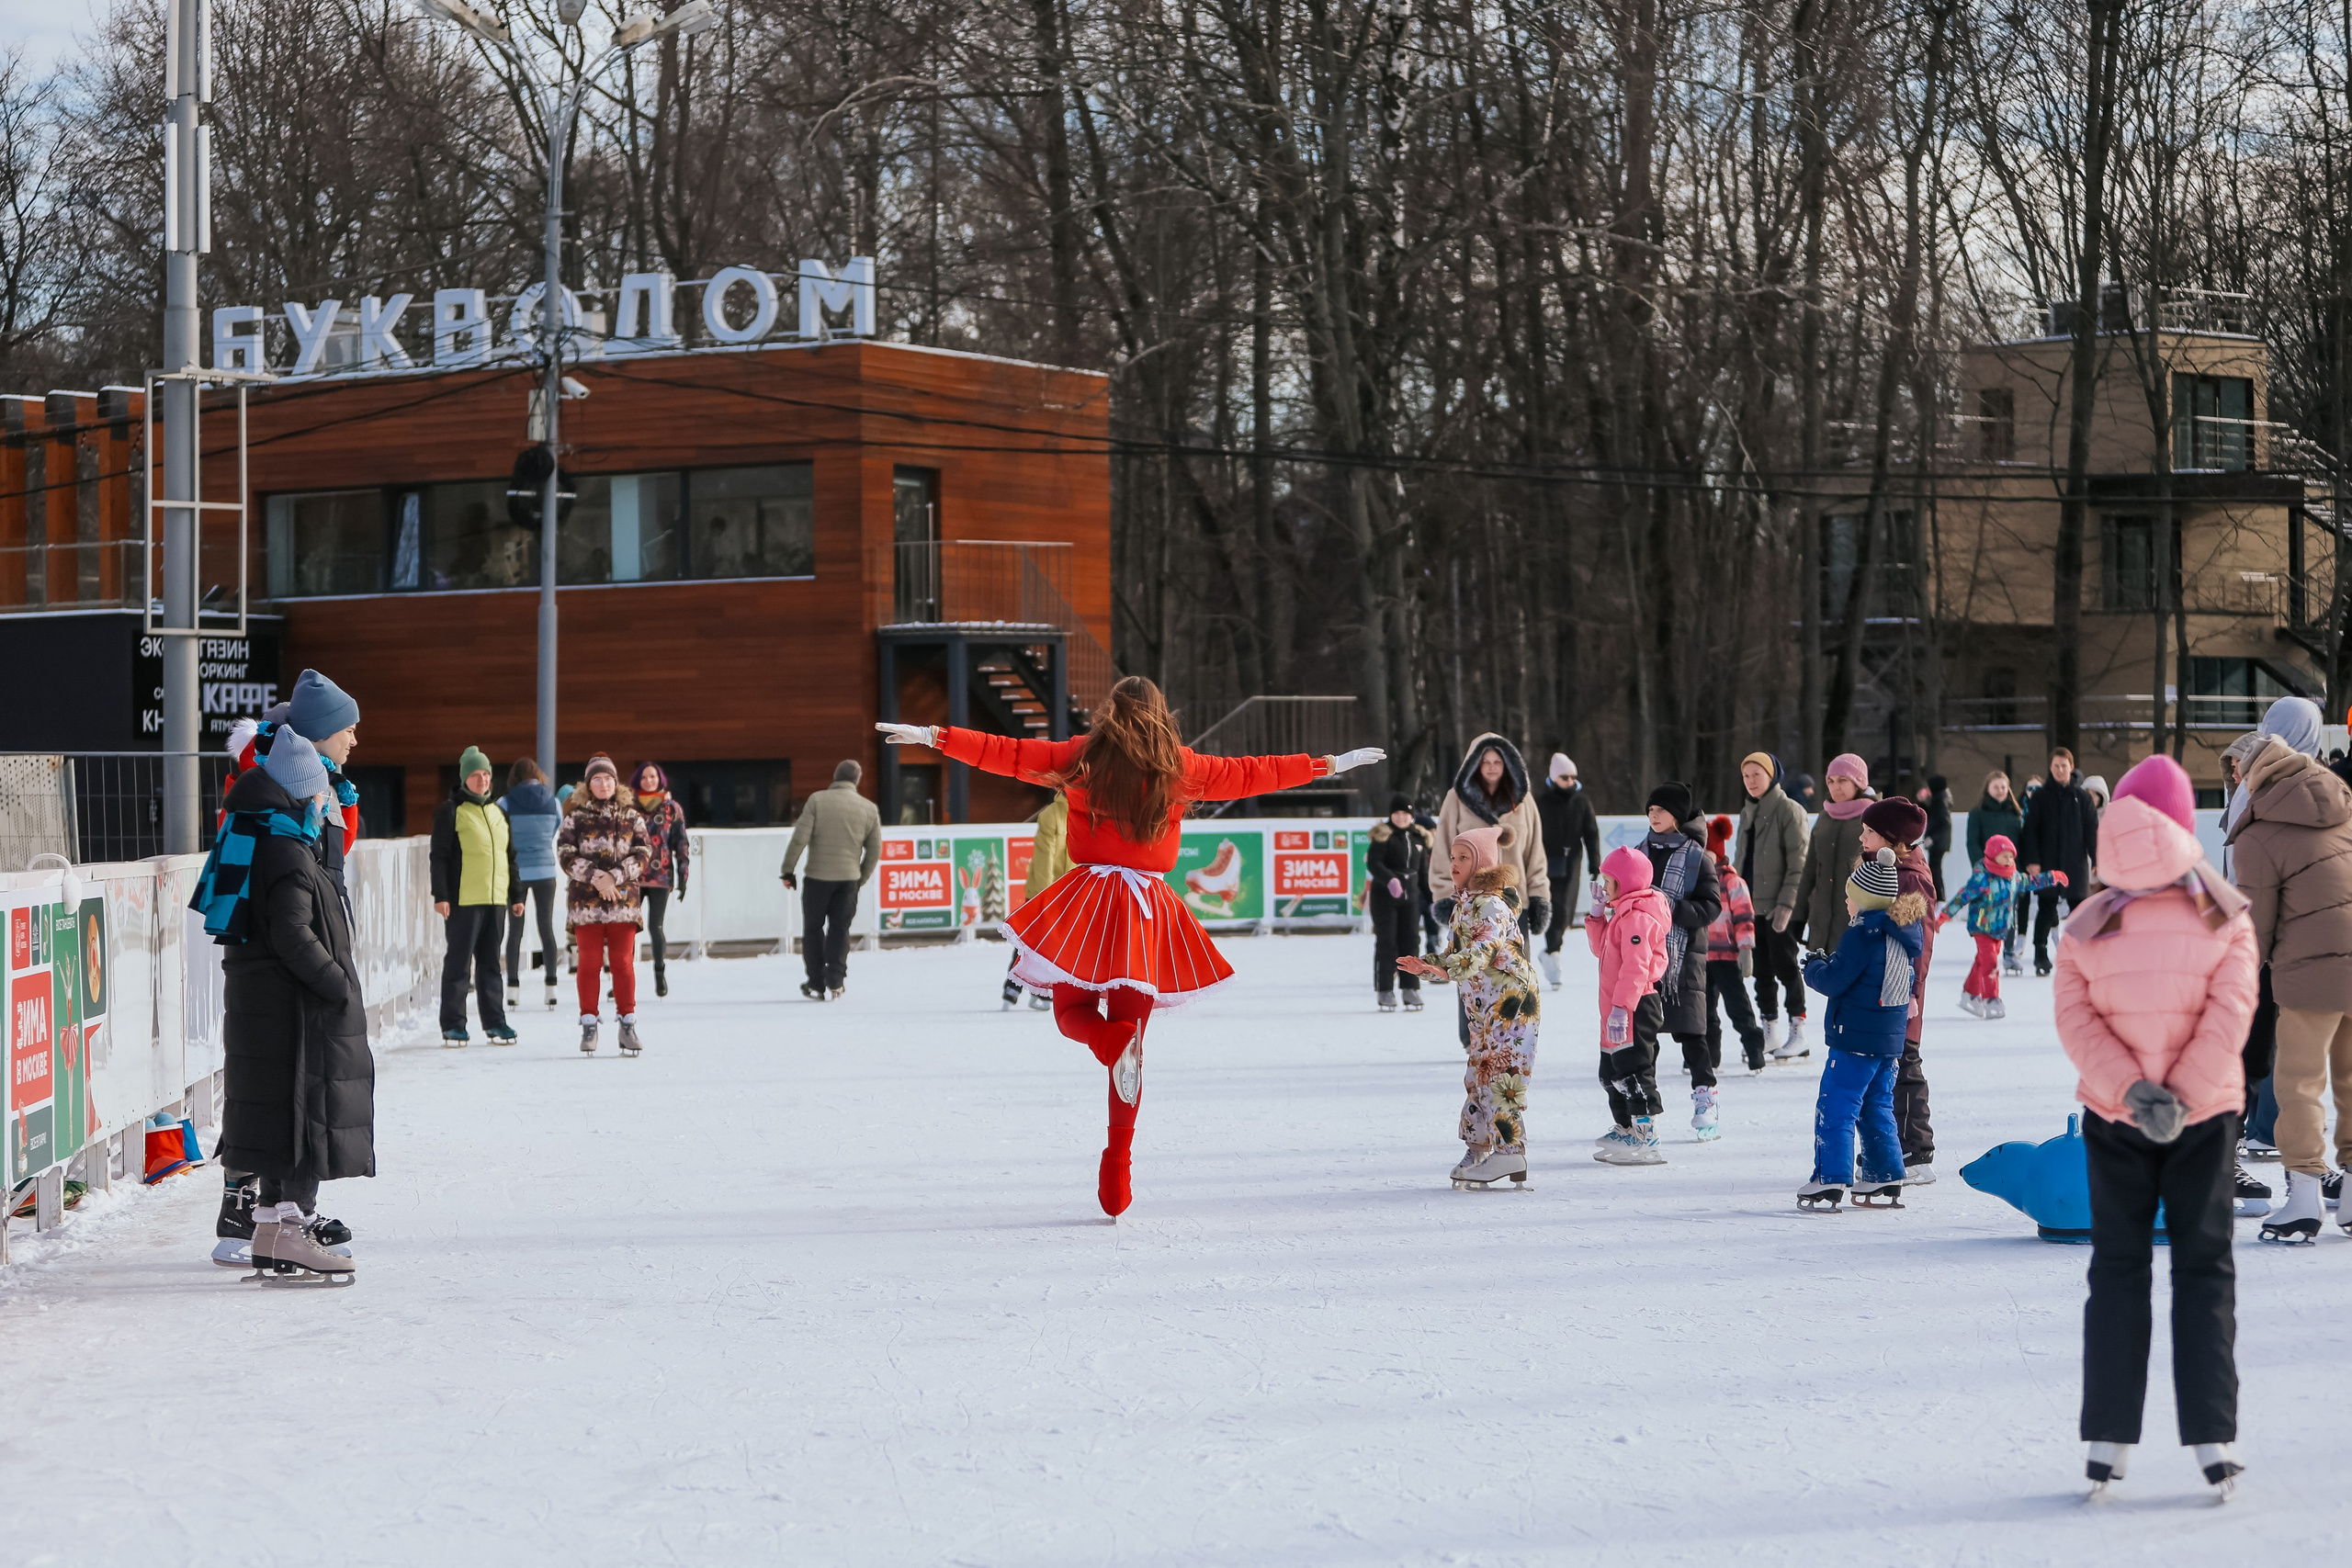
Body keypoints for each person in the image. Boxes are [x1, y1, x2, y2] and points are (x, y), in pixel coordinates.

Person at [884, 676, 1384, 1216]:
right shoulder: (1179, 766)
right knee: (1135, 1046)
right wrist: (1327, 764)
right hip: (1146, 913)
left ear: (1109, 712)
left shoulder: (1084, 757)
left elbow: (1008, 754)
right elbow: (1251, 773)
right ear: (1161, 713)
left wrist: (934, 736)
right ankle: (1118, 1166)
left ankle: (1108, 1040)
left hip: (1089, 901)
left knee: (1070, 1014)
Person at [2055, 754, 2256, 1500]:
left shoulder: (2086, 922)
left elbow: (2074, 1020)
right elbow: (2232, 1014)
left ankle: (2107, 1439)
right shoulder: (2225, 913)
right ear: (2181, 825)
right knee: (2205, 1268)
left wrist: (2135, 1092)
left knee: (2117, 1268)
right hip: (2204, 1118)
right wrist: (2182, 1094)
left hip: (2117, 1118)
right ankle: (2212, 1435)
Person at [197, 728, 372, 1279]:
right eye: (319, 794)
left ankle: (272, 1228)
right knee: (301, 1118)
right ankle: (290, 1227)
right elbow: (294, 933)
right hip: (291, 1008)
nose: (325, 804)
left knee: (279, 1119)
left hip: (268, 1005)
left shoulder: (268, 838)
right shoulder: (287, 850)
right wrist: (337, 984)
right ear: (300, 792)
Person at [2222, 694, 2352, 1242]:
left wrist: (2236, 974)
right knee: (2349, 1079)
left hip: (2303, 970)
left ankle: (2303, 1197)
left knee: (2297, 1082)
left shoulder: (2258, 827)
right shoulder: (2340, 804)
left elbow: (2254, 920)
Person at [1396, 823, 1540, 1187]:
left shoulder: (1490, 904)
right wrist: (1428, 966)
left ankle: (1510, 1152)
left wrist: (1446, 971)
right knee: (1478, 1074)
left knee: (1501, 1075)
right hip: (1483, 1006)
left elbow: (1483, 949)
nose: (1454, 864)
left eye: (1463, 857)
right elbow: (1455, 955)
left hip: (1511, 1003)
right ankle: (1478, 1147)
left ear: (1482, 864)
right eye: (1453, 857)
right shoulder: (1464, 905)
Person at [1795, 849, 1925, 1209]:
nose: (1846, 902)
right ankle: (1885, 1173)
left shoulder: (1863, 934)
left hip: (1855, 1037)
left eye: (1850, 896)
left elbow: (1835, 980)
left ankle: (1830, 1178)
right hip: (1888, 1040)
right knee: (1876, 1105)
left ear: (1864, 899)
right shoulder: (1901, 933)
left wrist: (1813, 968)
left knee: (1836, 1106)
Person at [1861, 796, 1939, 1181]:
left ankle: (1916, 1150)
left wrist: (1910, 991)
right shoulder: (1882, 869)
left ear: (1893, 840)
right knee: (1883, 1068)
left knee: (1904, 1065)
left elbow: (1917, 943)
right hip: (1881, 987)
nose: (1862, 838)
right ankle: (1888, 1146)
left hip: (1900, 993)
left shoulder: (1909, 878)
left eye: (1869, 832)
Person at [1642, 782, 1725, 1140]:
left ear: (1676, 814)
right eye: (1650, 810)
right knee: (1644, 1034)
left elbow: (1711, 906)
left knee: (1691, 1032)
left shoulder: (1696, 857)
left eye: (1660, 809)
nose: (1654, 815)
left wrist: (1671, 908)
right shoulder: (1639, 853)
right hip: (1644, 956)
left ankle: (1706, 1099)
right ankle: (1644, 1107)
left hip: (1684, 957)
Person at [1585, 844, 1672, 1166]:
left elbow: (1637, 967)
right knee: (1611, 1073)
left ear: (1626, 883)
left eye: (1609, 881)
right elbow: (1601, 950)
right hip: (1615, 1008)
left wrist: (1623, 1008)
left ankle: (1646, 1133)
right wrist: (1597, 916)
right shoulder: (1621, 913)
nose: (1604, 887)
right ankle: (1625, 1127)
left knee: (1633, 1073)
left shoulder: (1638, 918)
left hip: (1635, 1006)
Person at [560, 755, 652, 1055]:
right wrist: (597, 877)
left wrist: (614, 876)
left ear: (616, 783)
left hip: (623, 903)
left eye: (608, 779)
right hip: (586, 904)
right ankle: (589, 1023)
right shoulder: (575, 818)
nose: (603, 784)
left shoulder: (632, 817)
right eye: (597, 779)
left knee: (623, 963)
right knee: (589, 963)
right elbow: (566, 854)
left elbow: (643, 852)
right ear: (588, 785)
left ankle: (627, 1023)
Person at [430, 746, 521, 1046]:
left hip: (495, 900)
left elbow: (510, 857)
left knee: (491, 964)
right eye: (475, 774)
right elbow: (439, 857)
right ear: (464, 778)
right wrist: (441, 895)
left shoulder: (499, 813)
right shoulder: (450, 811)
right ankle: (453, 1024)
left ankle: (496, 1022)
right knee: (459, 964)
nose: (482, 779)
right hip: (463, 900)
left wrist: (516, 895)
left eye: (485, 774)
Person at [1785, 751, 1873, 1059]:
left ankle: (1860, 1047)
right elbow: (1810, 868)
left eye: (1843, 781)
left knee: (1858, 985)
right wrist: (1798, 916)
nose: (1836, 787)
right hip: (1824, 917)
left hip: (1859, 917)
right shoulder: (1825, 816)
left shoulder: (1873, 816)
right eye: (1831, 781)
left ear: (1858, 783)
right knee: (1836, 985)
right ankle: (1843, 1047)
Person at [1430, 734, 1550, 949]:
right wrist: (1444, 894)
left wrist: (1539, 895)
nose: (1491, 767)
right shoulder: (1455, 799)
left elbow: (1535, 853)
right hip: (1469, 905)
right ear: (1474, 764)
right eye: (1485, 761)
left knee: (1515, 967)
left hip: (1515, 903)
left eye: (1497, 762)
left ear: (1508, 764)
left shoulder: (1524, 801)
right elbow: (1442, 849)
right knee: (1471, 967)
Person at [780, 760, 885, 1000]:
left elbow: (800, 838)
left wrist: (788, 870)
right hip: (848, 880)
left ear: (835, 777)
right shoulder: (869, 809)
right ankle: (836, 981)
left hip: (817, 878)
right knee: (840, 929)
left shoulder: (817, 801)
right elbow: (875, 850)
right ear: (856, 780)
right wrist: (860, 878)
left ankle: (815, 982)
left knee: (813, 929)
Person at [1736, 751, 1809, 1057]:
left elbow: (1799, 864)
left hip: (1780, 907)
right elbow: (1743, 860)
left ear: (1772, 775)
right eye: (1746, 775)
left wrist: (1787, 905)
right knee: (1761, 971)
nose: (1751, 781)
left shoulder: (1789, 810)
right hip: (1751, 907)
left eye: (1757, 774)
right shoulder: (1747, 812)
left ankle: (1798, 1031)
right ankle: (1770, 1030)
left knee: (1787, 967)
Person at [1943, 834, 2063, 1019]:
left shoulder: (2013, 876)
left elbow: (2031, 882)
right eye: (2004, 856)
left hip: (2000, 928)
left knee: (1982, 960)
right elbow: (1962, 897)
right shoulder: (1982, 878)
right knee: (1990, 962)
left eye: (2011, 856)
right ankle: (1991, 999)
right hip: (1981, 926)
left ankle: (1970, 993)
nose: (2009, 860)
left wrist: (2052, 877)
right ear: (1993, 856)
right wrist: (1944, 915)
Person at [2019, 747, 2100, 976]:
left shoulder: (2082, 797)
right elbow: (2030, 831)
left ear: (2071, 767)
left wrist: (2096, 858)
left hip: (2075, 863)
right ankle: (2040, 953)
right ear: (2050, 767)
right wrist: (2033, 861)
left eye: (2064, 766)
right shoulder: (2040, 797)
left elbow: (2092, 831)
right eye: (2056, 766)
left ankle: (2082, 953)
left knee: (2079, 910)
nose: (2060, 770)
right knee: (2046, 908)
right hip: (2047, 862)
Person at [1703, 816, 1767, 1075]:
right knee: (1703, 1011)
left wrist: (1745, 949)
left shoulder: (1732, 882)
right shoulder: (1693, 882)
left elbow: (1744, 918)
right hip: (1701, 957)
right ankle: (1707, 1056)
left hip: (1727, 957)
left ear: (1717, 853)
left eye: (1706, 852)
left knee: (1738, 1007)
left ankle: (1754, 1050)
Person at [500, 759, 563, 1011]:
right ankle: (551, 988)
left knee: (515, 930)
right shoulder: (553, 801)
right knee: (546, 928)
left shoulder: (504, 803)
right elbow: (556, 827)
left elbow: (500, 833)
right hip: (546, 870)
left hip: (517, 872)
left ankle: (512, 989)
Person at [628, 763, 693, 998]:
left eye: (652, 776)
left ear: (660, 779)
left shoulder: (671, 808)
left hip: (660, 875)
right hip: (632, 875)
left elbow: (680, 842)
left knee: (655, 926)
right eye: (644, 777)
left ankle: (659, 972)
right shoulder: (628, 806)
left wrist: (683, 873)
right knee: (628, 929)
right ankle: (623, 977)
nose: (648, 781)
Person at [1535, 753, 1600, 980]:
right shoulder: (1541, 802)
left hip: (1572, 859)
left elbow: (1591, 832)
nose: (1570, 781)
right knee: (1555, 906)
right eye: (1565, 777)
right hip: (1548, 859)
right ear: (1554, 778)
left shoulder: (1581, 801)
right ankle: (1552, 952)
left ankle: (1552, 950)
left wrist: (1595, 861)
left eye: (1573, 777)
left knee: (1567, 910)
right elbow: (1533, 834)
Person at [1005, 793, 1073, 1010]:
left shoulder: (1083, 815)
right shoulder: (1051, 815)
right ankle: (1015, 988)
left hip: (1065, 893)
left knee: (1049, 943)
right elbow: (1045, 858)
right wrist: (1046, 896)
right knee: (1032, 940)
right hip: (1044, 892)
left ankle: (1035, 992)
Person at [1367, 795, 1433, 1012]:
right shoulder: (1383, 836)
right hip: (1385, 898)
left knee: (1411, 941)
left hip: (1410, 898)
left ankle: (1410, 987)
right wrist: (1390, 879)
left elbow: (1423, 873)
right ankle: (1385, 989)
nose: (1401, 817)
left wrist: (1433, 900)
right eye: (1397, 813)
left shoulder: (1418, 838)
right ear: (1391, 815)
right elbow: (1374, 864)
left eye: (1405, 813)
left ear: (1411, 816)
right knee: (1387, 942)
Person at [1965, 772, 2027, 975]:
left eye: (2003, 787)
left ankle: (2009, 952)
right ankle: (1985, 951)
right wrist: (1979, 867)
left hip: (2010, 872)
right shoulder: (1978, 813)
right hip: (1987, 873)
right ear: (1988, 789)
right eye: (1996, 787)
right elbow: (1972, 842)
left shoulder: (2015, 814)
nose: (2000, 791)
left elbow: (2021, 843)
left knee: (2009, 913)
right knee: (1987, 913)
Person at [1916, 774, 1953, 900]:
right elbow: (1928, 814)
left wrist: (1933, 838)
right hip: (1938, 843)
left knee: (1935, 870)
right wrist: (1921, 802)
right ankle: (1937, 896)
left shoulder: (1941, 803)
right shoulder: (1938, 801)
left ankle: (1939, 897)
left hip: (1938, 843)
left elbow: (1944, 824)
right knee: (1934, 869)